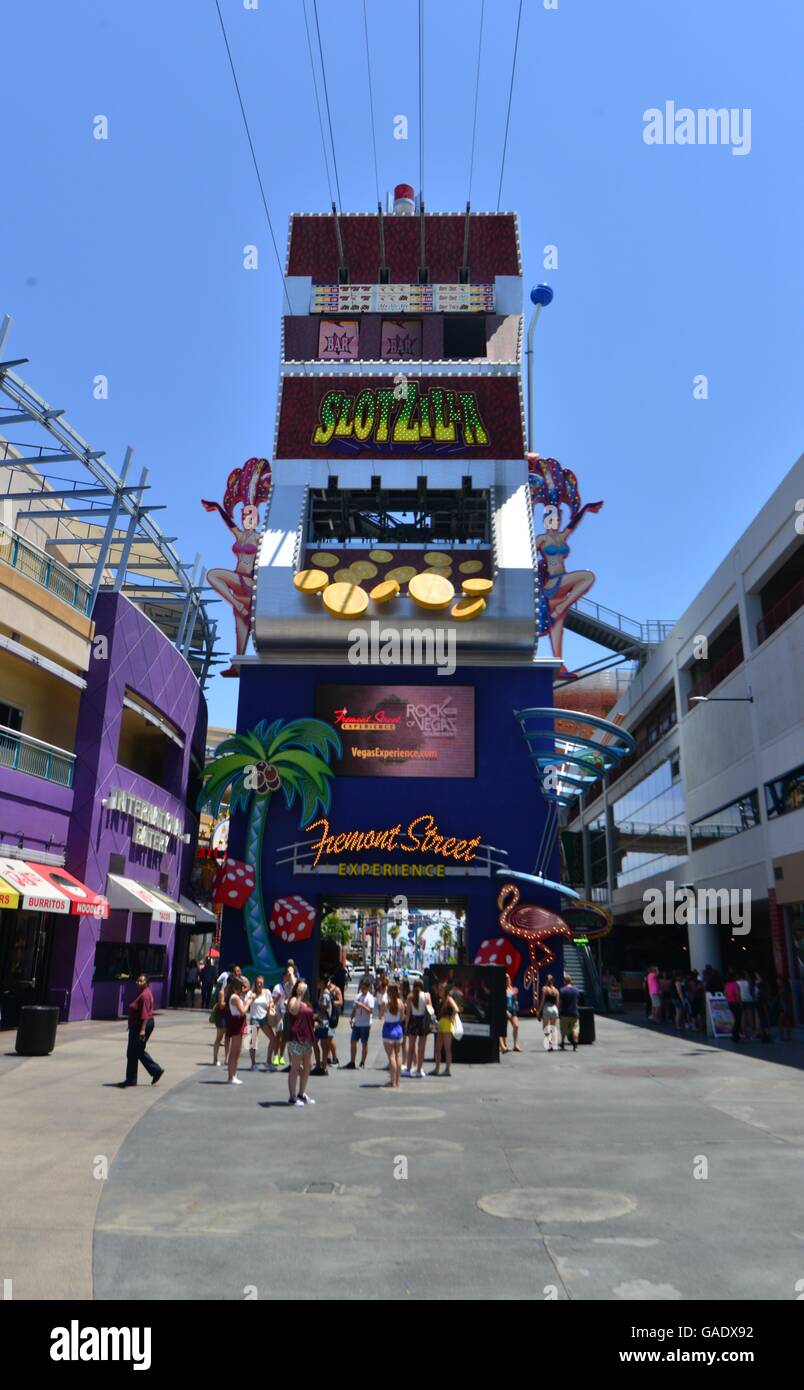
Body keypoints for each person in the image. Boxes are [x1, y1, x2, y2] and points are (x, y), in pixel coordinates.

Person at [122, 974, 163, 1087]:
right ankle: (134, 1078)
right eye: (138, 980)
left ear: (146, 983)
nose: (138, 982)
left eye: (141, 981)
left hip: (142, 1025)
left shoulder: (144, 995)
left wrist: (142, 1030)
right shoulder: (144, 992)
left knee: (133, 1051)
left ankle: (154, 1071)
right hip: (138, 1024)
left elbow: (144, 1015)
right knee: (136, 1051)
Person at [286, 980, 316, 1105]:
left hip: (307, 1036)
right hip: (296, 1037)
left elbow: (309, 1017)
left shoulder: (307, 1002)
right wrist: (299, 995)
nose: (303, 988)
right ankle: (292, 1097)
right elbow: (293, 1010)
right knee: (296, 1066)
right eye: (300, 986)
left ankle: (301, 1094)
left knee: (308, 1066)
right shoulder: (293, 999)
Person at [269, 961, 297, 1069]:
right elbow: (272, 1002)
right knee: (278, 1035)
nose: (288, 977)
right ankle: (275, 1056)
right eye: (287, 975)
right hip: (279, 1014)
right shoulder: (277, 987)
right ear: (284, 976)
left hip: (288, 1014)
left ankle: (281, 1056)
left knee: (285, 1038)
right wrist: (278, 998)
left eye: (289, 975)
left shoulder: (292, 986)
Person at [225, 976, 253, 1084]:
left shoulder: (236, 996)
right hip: (236, 1022)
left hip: (239, 1022)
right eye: (242, 986)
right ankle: (231, 1076)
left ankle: (234, 1074)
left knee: (237, 1051)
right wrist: (248, 1003)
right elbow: (242, 1011)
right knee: (234, 1052)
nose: (243, 988)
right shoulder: (235, 997)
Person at [344, 977, 374, 1069]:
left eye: (364, 988)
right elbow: (354, 1008)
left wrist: (362, 1005)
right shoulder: (358, 996)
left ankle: (362, 1062)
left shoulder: (370, 998)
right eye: (361, 987)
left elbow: (370, 1011)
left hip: (365, 1024)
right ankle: (352, 1061)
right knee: (353, 1041)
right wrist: (351, 1017)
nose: (362, 989)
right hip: (357, 1023)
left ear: (368, 988)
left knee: (364, 1043)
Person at [403, 979, 431, 1078]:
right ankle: (419, 1069)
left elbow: (408, 1014)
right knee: (421, 1048)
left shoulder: (410, 996)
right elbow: (430, 1010)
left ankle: (408, 1069)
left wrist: (406, 1026)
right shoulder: (427, 995)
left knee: (411, 1047)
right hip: (423, 1021)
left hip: (413, 1021)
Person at [248, 975, 276, 1071]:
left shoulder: (267, 992)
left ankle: (268, 1062)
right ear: (255, 983)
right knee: (253, 1042)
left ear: (263, 983)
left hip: (264, 1018)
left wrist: (270, 1005)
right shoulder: (251, 993)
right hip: (254, 1018)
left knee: (273, 1038)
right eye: (258, 983)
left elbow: (271, 1002)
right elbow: (246, 1005)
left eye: (261, 983)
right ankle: (253, 1064)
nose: (259, 984)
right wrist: (252, 998)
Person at [431, 981, 458, 1076]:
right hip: (440, 1024)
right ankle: (437, 1068)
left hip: (447, 1024)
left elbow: (456, 1009)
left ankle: (447, 1070)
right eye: (439, 989)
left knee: (447, 1048)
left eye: (442, 989)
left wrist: (451, 1018)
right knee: (437, 1048)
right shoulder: (440, 999)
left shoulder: (448, 999)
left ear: (445, 990)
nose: (440, 990)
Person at [381, 982, 405, 1088]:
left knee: (391, 1056)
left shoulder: (386, 1003)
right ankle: (398, 1081)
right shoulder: (400, 1002)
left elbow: (381, 1015)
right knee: (398, 1055)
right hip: (398, 1028)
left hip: (388, 1029)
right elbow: (402, 1017)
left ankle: (393, 1081)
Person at [313, 976, 334, 1077]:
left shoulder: (325, 995)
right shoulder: (323, 993)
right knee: (321, 1044)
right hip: (323, 1022)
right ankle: (321, 1066)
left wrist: (315, 1017)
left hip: (323, 1023)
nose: (317, 983)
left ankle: (322, 1067)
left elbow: (323, 1009)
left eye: (319, 981)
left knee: (320, 1044)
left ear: (323, 983)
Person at [539, 974, 561, 1052]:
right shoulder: (556, 990)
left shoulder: (544, 989)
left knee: (545, 1027)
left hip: (547, 1008)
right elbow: (558, 1002)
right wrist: (557, 1011)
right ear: (553, 981)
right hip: (554, 1009)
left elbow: (542, 1000)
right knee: (553, 1028)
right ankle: (552, 1044)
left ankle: (550, 1042)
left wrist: (539, 1011)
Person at [558, 973, 580, 1052]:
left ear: (564, 981)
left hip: (565, 1012)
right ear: (571, 981)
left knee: (563, 1029)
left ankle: (563, 1043)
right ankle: (575, 1043)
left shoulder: (562, 990)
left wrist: (559, 1010)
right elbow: (577, 1001)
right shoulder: (576, 990)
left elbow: (560, 1002)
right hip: (574, 1012)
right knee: (575, 1028)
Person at [500, 973, 521, 1053]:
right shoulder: (501, 989)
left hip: (513, 1010)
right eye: (505, 978)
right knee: (503, 1028)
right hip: (504, 1009)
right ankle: (504, 1045)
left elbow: (515, 1000)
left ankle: (516, 1045)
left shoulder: (513, 989)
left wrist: (516, 999)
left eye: (508, 978)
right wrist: (505, 1011)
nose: (507, 979)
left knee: (516, 1026)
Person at [327, 975, 344, 1068]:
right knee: (325, 1037)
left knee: (330, 1035)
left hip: (333, 1014)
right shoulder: (324, 989)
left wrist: (330, 1002)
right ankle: (327, 1057)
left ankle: (335, 1058)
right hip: (326, 1014)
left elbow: (341, 1002)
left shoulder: (336, 989)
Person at [724, 971, 743, 1043]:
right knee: (738, 1020)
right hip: (736, 1003)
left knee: (736, 1019)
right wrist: (740, 1002)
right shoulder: (735, 984)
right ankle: (736, 1036)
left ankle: (735, 1035)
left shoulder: (727, 985)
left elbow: (725, 994)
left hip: (730, 1003)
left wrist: (729, 998)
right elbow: (738, 994)